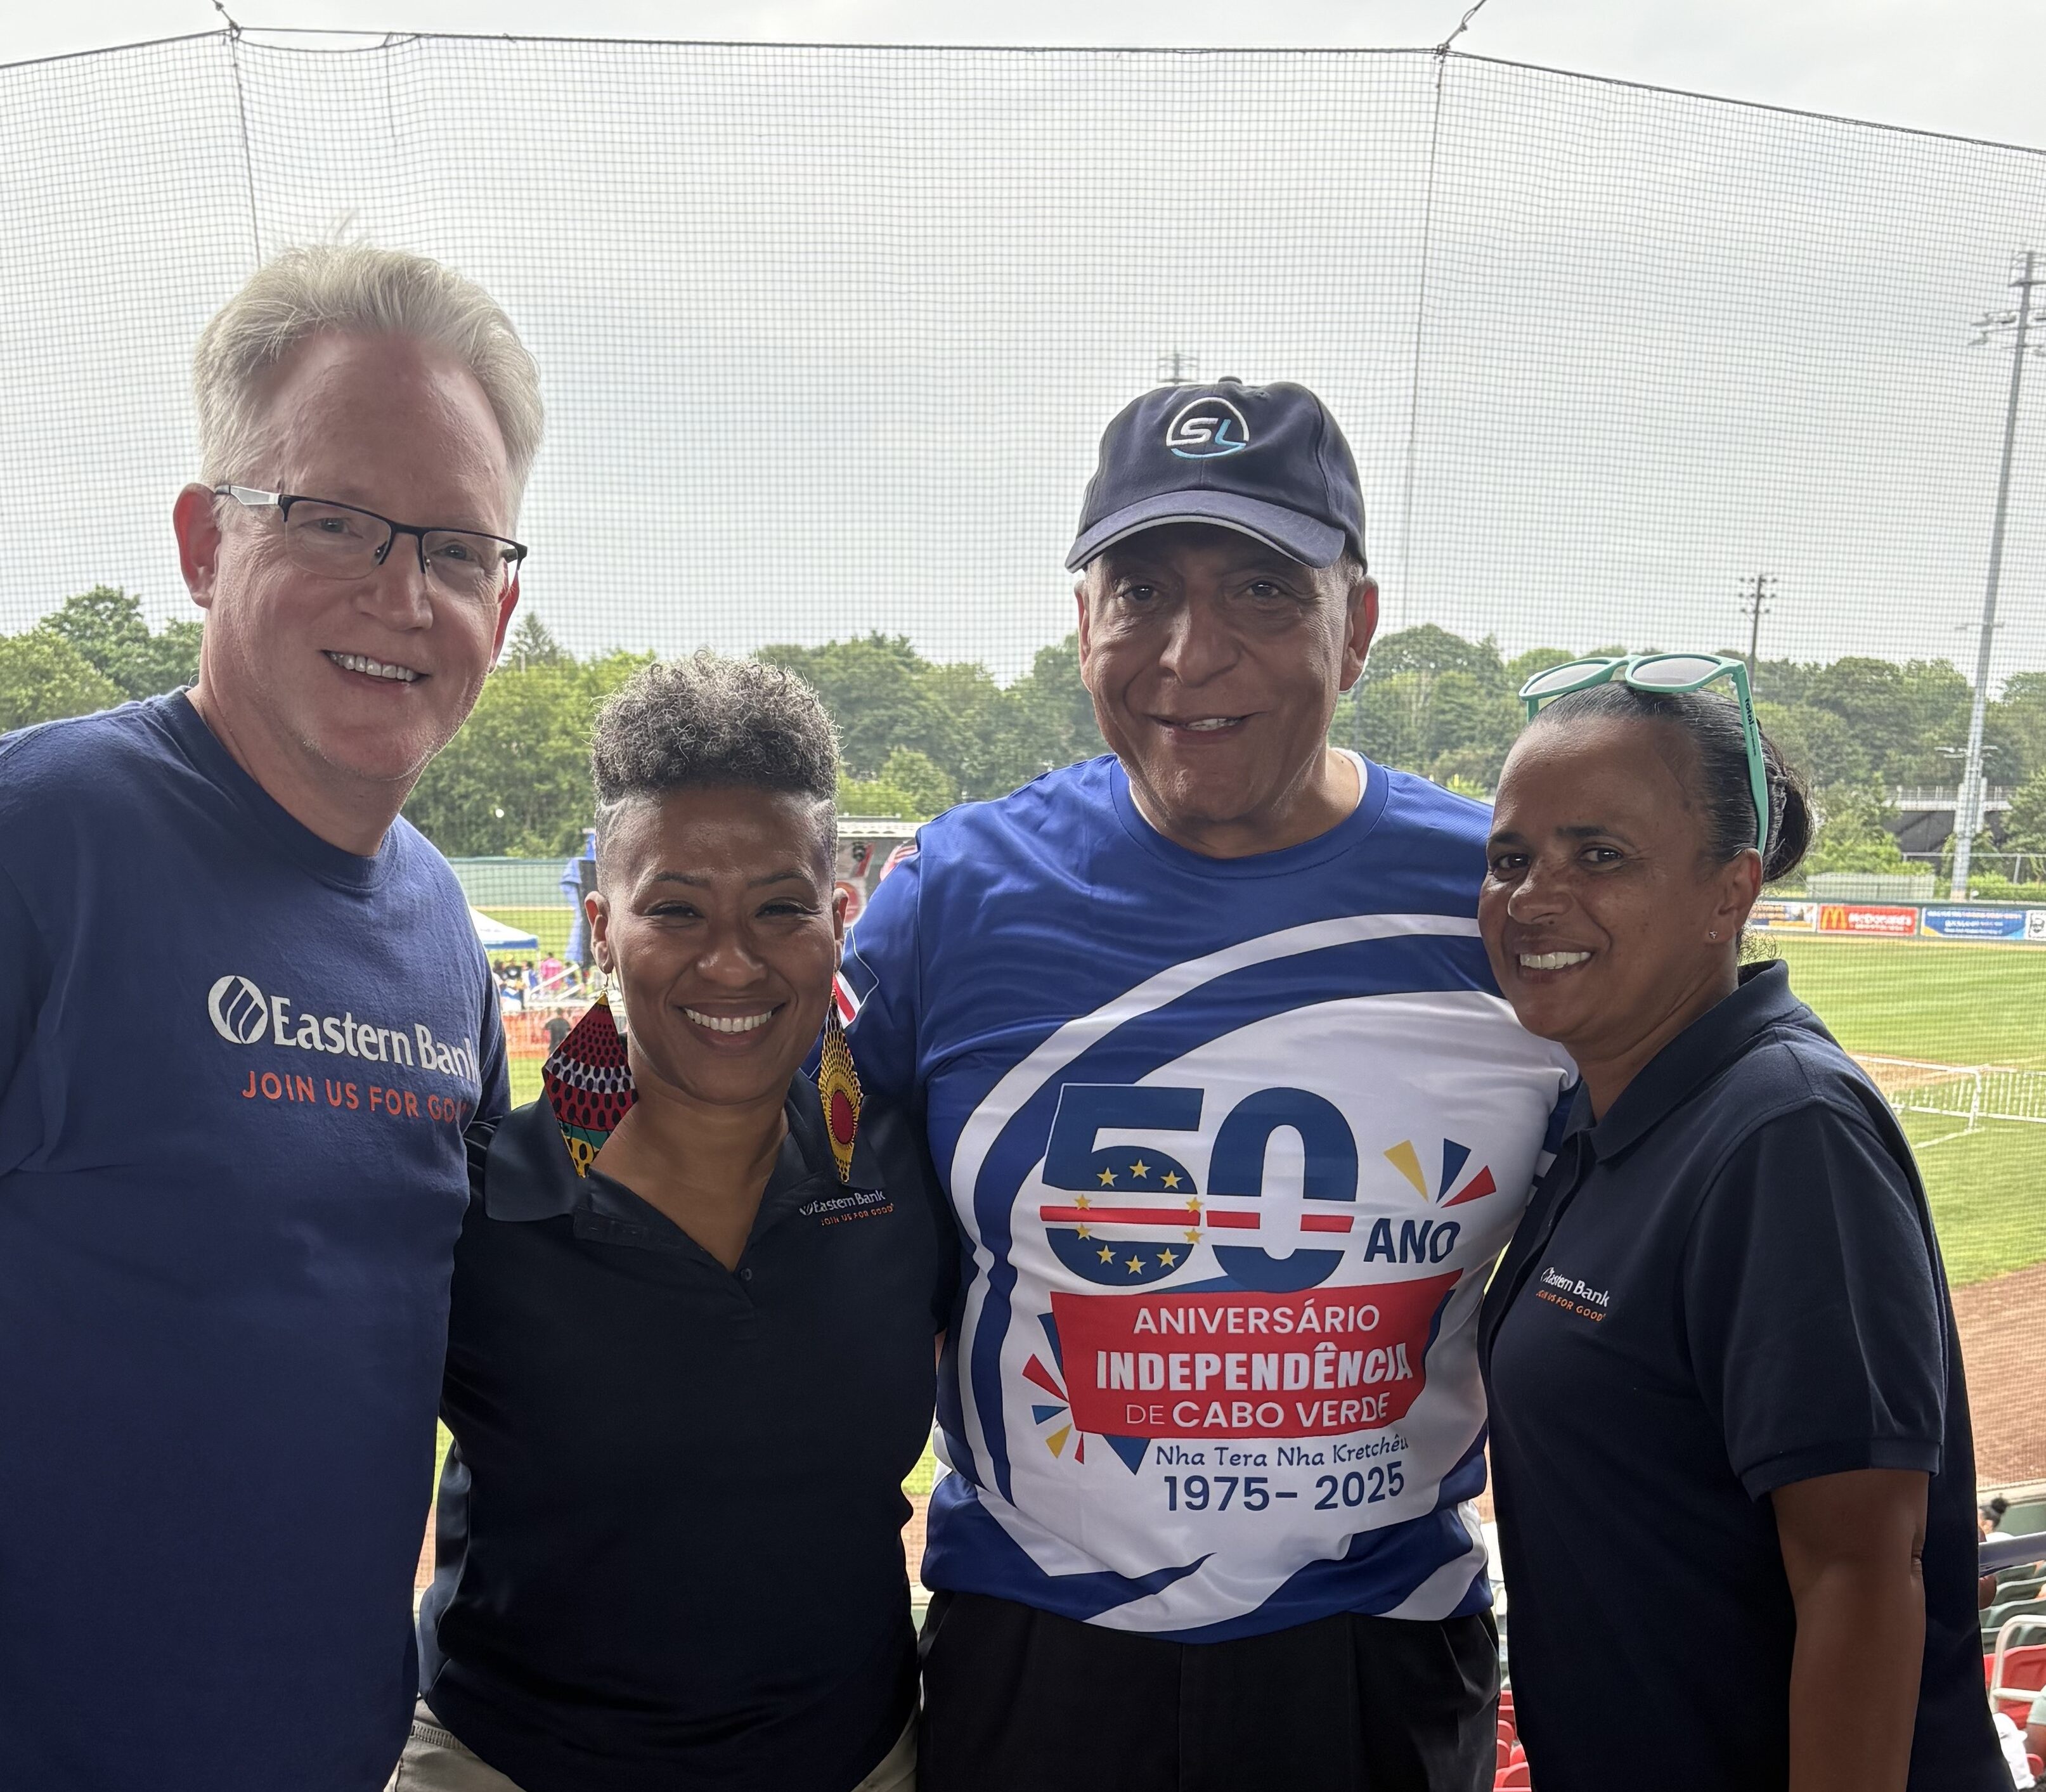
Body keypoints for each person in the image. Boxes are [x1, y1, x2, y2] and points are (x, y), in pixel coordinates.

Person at [844, 378, 1576, 1791]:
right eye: (1141, 591)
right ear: (1083, 625)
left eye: (1261, 588)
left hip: (1371, 1659)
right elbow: (782, 1162)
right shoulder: (953, 893)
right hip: (1038, 1657)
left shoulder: (1498, 898)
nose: (1192, 652)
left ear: (1356, 625)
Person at [0, 243, 539, 1788]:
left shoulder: (440, 933)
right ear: (204, 541)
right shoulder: (42, 845)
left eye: (456, 546)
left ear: (504, 600)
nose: (402, 593)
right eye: (335, 520)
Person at [399, 655, 952, 1792]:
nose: (732, 960)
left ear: (839, 917)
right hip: (513, 1763)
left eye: (781, 908)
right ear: (602, 926)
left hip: (853, 1762)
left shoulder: (905, 1170)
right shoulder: (482, 1200)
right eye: (676, 909)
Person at [1473, 656, 2006, 1790]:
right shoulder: (1612, 1112)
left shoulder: (1786, 1131)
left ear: (1731, 892)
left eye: (1599, 855)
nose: (1532, 898)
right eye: (1511, 858)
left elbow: (1862, 1574)